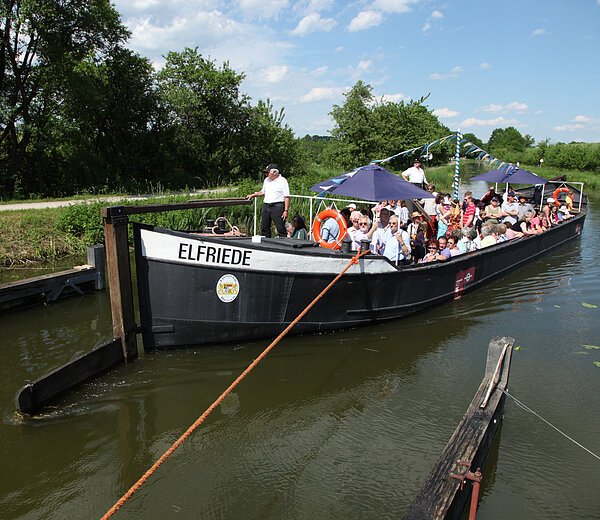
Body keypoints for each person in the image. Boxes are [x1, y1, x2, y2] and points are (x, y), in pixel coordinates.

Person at [247, 163, 290, 237]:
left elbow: (287, 196)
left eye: (268, 172)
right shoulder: (266, 180)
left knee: (280, 227)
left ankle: (284, 243)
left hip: (277, 206)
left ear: (275, 172)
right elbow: (263, 191)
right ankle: (266, 242)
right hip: (266, 205)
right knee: (264, 227)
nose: (266, 174)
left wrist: (286, 210)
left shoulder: (283, 181)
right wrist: (252, 195)